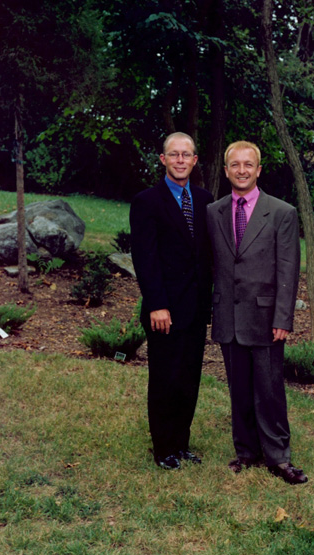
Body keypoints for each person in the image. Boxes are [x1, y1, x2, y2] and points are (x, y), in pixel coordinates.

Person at [206, 140, 307, 485]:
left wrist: (283, 318)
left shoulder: (281, 212)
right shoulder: (214, 211)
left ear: (259, 169)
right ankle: (246, 451)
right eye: (235, 164)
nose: (242, 170)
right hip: (228, 317)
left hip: (266, 319)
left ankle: (279, 457)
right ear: (226, 170)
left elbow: (288, 270)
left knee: (269, 390)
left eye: (249, 164)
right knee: (239, 389)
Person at [130, 132, 213, 470]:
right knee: (165, 378)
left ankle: (181, 442)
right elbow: (145, 258)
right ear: (163, 159)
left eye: (186, 155)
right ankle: (163, 448)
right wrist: (156, 304)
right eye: (173, 154)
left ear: (195, 161)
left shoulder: (206, 201)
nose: (180, 160)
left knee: (188, 378)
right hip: (164, 309)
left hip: (195, 309)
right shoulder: (147, 201)